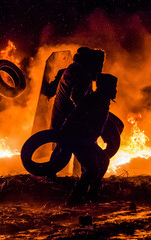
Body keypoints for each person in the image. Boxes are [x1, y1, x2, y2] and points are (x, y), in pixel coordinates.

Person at [59, 73, 117, 205]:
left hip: (86, 139)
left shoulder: (101, 101)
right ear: (105, 87)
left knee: (103, 160)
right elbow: (74, 118)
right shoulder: (93, 101)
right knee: (92, 169)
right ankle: (74, 199)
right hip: (77, 138)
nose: (115, 90)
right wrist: (65, 138)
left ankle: (93, 195)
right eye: (113, 87)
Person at [48, 47, 105, 178]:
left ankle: (65, 176)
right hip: (69, 117)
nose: (100, 68)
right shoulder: (82, 74)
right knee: (73, 146)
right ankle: (58, 177)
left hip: (64, 114)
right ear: (92, 62)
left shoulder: (74, 68)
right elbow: (77, 98)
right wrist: (90, 112)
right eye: (99, 64)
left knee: (65, 147)